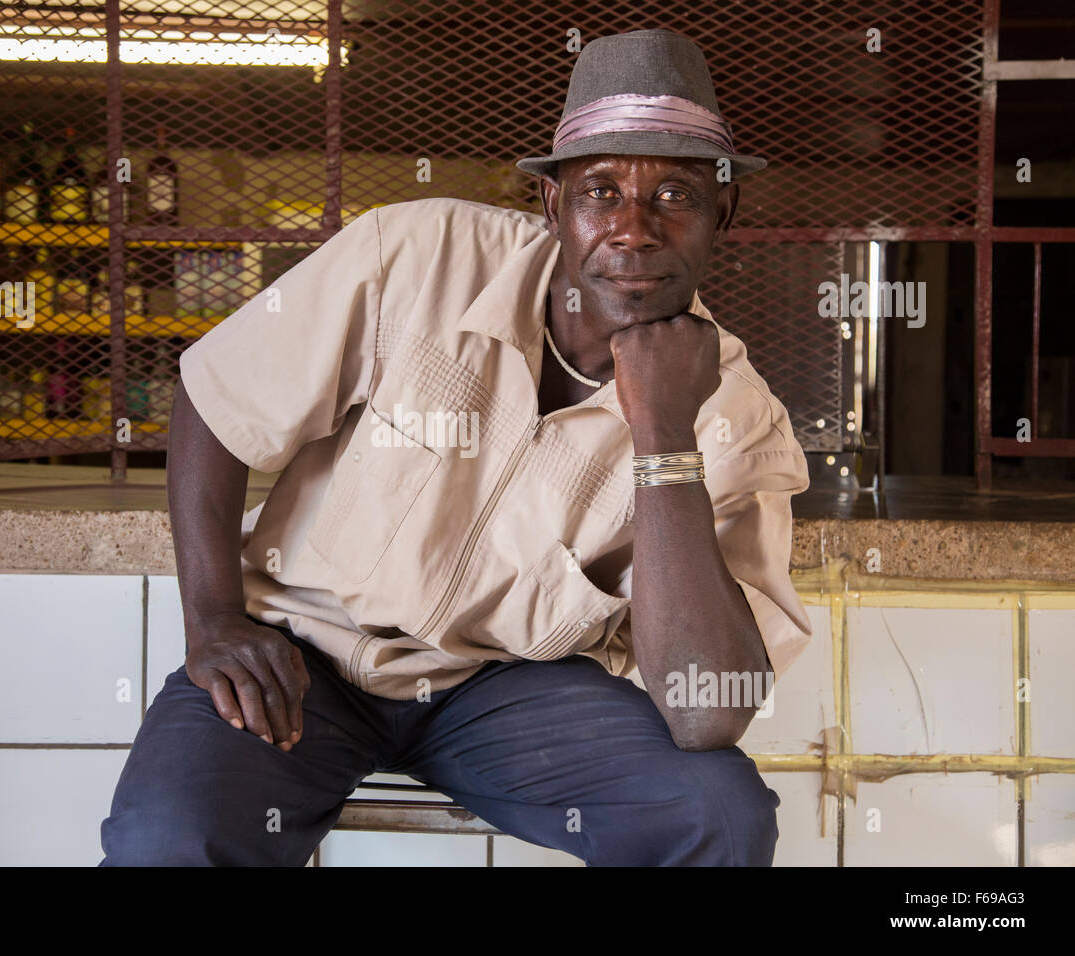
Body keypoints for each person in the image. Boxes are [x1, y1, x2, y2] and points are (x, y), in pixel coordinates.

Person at [101, 27, 811, 867]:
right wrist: (214, 618)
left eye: (676, 196)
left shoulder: (740, 415)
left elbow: (706, 710)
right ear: (553, 205)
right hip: (304, 657)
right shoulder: (414, 254)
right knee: (166, 840)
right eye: (601, 191)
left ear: (721, 213)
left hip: (511, 692)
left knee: (721, 819)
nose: (632, 230)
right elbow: (216, 397)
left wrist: (665, 433)